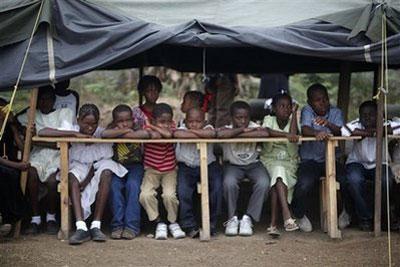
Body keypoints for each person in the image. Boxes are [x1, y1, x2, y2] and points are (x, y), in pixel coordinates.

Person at [18, 86, 77, 235]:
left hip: (59, 155)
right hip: (38, 155)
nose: (45, 102)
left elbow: (65, 140)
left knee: (52, 181)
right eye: (41, 99)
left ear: (54, 100)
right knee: (31, 172)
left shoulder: (64, 113)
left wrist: (37, 140)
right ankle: (35, 218)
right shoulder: (31, 114)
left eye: (49, 98)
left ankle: (51, 217)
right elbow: (16, 120)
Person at [68, 104, 128, 245]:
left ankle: (96, 225)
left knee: (107, 172)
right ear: (78, 121)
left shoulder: (102, 133)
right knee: (71, 177)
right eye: (86, 124)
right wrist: (77, 135)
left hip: (99, 165)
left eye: (93, 124)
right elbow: (46, 131)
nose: (90, 128)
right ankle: (81, 226)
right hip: (79, 166)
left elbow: (97, 162)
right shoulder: (72, 131)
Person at [291, 83, 345, 232]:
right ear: (309, 102)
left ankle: (345, 212)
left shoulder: (335, 112)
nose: (323, 103)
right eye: (318, 100)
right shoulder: (307, 110)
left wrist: (327, 123)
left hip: (332, 159)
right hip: (311, 160)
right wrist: (316, 133)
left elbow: (341, 131)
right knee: (304, 183)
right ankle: (299, 213)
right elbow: (305, 128)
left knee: (347, 180)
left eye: (325, 99)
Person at [218, 101, 270, 236]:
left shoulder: (255, 126)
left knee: (264, 183)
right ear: (231, 117)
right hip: (232, 165)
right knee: (228, 183)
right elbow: (221, 135)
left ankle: (248, 218)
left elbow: (264, 134)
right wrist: (243, 130)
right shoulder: (226, 127)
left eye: (246, 118)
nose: (243, 121)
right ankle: (232, 218)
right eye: (239, 118)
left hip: (254, 164)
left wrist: (237, 133)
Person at [342, 100, 394, 231]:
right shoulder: (356, 124)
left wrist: (380, 129)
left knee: (386, 181)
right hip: (357, 163)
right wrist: (372, 133)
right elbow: (344, 130)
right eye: (364, 115)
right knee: (354, 180)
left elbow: (398, 126)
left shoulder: (385, 123)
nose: (367, 117)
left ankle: (382, 217)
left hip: (380, 163)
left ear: (379, 115)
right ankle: (365, 218)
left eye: (371, 114)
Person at [102, 104, 150, 240]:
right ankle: (117, 225)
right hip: (117, 166)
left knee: (133, 186)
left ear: (133, 119)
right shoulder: (111, 129)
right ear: (114, 122)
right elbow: (104, 134)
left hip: (136, 166)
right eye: (120, 121)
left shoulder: (137, 128)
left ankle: (131, 227)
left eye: (127, 120)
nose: (124, 124)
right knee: (114, 187)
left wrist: (125, 131)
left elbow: (145, 134)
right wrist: (123, 131)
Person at [139, 103, 186, 240]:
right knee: (145, 195)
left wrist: (153, 126)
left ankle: (172, 222)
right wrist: (152, 127)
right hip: (151, 169)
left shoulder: (170, 127)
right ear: (153, 120)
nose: (165, 125)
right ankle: (159, 222)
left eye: (168, 122)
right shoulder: (146, 129)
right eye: (161, 122)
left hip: (170, 170)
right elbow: (155, 136)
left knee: (169, 196)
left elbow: (167, 134)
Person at [174, 108, 222, 237]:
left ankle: (211, 223)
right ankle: (188, 225)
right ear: (185, 121)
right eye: (191, 122)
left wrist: (194, 133)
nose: (194, 124)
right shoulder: (182, 128)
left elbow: (211, 134)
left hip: (208, 165)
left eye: (198, 121)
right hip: (186, 166)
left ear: (205, 121)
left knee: (217, 187)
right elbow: (179, 135)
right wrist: (199, 133)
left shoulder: (209, 127)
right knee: (183, 191)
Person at [260, 93, 300, 237]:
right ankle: (287, 216)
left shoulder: (294, 121)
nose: (286, 109)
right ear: (274, 109)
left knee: (278, 180)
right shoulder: (268, 120)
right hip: (269, 160)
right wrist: (285, 136)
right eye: (282, 106)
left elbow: (294, 135)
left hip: (289, 162)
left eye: (289, 106)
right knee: (277, 172)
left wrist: (295, 114)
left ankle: (273, 224)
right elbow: (266, 132)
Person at [0, 98, 28, 237]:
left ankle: (15, 218)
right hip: (5, 165)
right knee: (6, 174)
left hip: (11, 163)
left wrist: (14, 129)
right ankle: (8, 218)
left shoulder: (10, 128)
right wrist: (17, 165)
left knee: (13, 175)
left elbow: (23, 148)